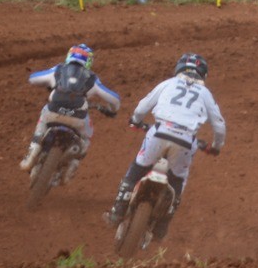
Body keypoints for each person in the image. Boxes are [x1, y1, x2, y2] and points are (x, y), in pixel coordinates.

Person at [104, 53, 225, 240]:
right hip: (186, 140)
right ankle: (162, 225)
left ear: (179, 68)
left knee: (138, 168)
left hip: (160, 132)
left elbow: (143, 106)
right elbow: (219, 125)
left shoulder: (168, 83)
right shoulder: (205, 94)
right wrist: (216, 146)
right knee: (178, 180)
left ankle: (117, 211)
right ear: (203, 74)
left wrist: (136, 121)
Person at [21, 44, 120, 172]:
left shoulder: (58, 70)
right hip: (77, 118)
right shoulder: (92, 78)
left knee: (43, 119)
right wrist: (112, 110)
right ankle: (73, 165)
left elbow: (33, 79)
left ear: (69, 56)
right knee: (87, 136)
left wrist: (49, 84)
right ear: (89, 61)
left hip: (53, 111)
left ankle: (33, 149)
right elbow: (114, 98)